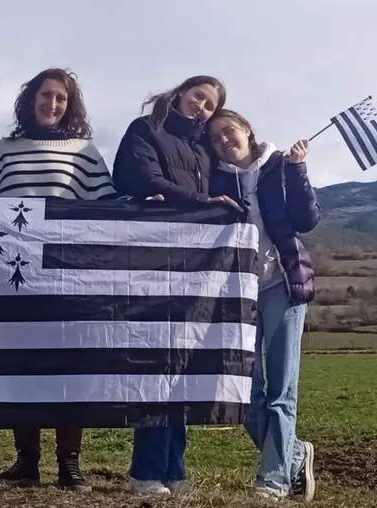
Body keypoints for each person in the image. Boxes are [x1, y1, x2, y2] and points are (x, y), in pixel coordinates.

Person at [0, 68, 117, 491]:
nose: (52, 103)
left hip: (68, 277)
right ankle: (26, 462)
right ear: (30, 99)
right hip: (15, 273)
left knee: (68, 367)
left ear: (69, 104)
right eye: (45, 95)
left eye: (61, 97)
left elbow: (108, 205)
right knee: (22, 366)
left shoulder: (85, 151)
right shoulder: (5, 147)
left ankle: (69, 463)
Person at [111, 75, 236, 496]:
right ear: (182, 93)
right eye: (198, 97)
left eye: (209, 105)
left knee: (183, 366)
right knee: (155, 365)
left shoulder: (205, 149)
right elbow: (145, 181)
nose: (201, 107)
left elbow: (226, 190)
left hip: (193, 266)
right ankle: (144, 472)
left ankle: (175, 469)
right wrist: (203, 204)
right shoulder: (146, 129)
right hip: (151, 259)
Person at [206, 109, 320, 501]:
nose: (223, 140)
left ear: (247, 130)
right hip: (238, 293)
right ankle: (294, 453)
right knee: (247, 397)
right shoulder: (215, 178)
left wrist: (299, 169)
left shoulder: (278, 165)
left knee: (281, 391)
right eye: (216, 137)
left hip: (284, 287)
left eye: (229, 131)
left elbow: (306, 219)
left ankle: (273, 482)